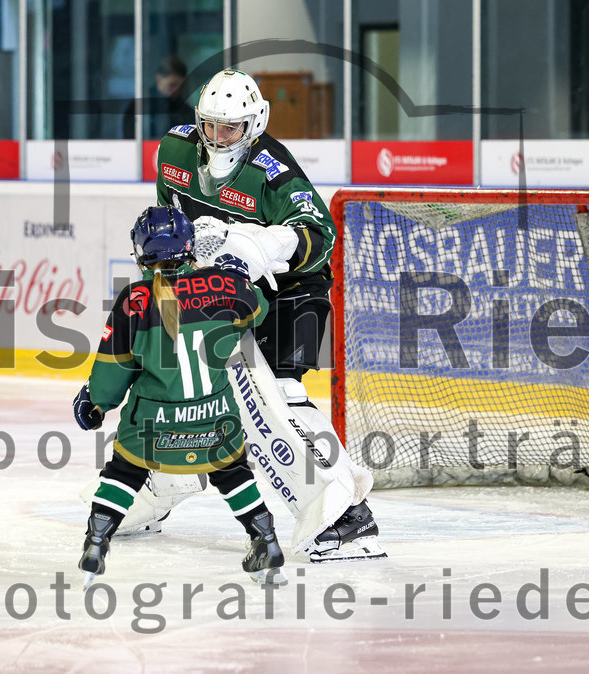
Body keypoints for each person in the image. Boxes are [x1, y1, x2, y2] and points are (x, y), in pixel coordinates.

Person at [144, 68, 384, 563]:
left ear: (253, 125)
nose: (217, 137)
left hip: (295, 292)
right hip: (227, 291)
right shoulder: (173, 153)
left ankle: (348, 518)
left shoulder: (274, 170)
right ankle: (159, 487)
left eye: (229, 128)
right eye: (209, 125)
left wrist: (261, 245)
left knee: (281, 397)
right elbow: (174, 222)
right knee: (186, 386)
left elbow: (321, 237)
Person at [73, 205, 287, 587]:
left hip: (154, 427)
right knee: (232, 470)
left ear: (141, 252)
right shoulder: (224, 285)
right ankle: (264, 539)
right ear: (190, 246)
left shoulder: (134, 300)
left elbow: (114, 367)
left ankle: (96, 543)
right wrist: (240, 280)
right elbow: (258, 309)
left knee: (125, 471)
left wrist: (95, 401)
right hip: (214, 419)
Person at [123, 55, 196, 140]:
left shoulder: (187, 112)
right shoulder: (139, 107)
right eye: (172, 85)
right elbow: (130, 140)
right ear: (159, 79)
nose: (176, 90)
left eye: (181, 86)